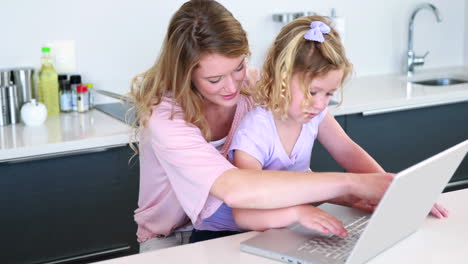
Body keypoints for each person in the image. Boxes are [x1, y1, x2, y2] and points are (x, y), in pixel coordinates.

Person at [131, 0, 393, 251]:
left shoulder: (258, 86)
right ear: (186, 75)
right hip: (175, 238)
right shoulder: (166, 118)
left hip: (256, 225)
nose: (232, 86)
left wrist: (389, 191)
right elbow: (236, 190)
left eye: (238, 67)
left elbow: (338, 147)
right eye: (215, 79)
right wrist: (350, 185)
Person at [228, 16, 449, 232]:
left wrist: (391, 191)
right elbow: (246, 214)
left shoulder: (313, 114)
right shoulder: (255, 131)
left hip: (295, 226)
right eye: (312, 92)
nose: (319, 103)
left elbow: (348, 151)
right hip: (253, 232)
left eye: (328, 94)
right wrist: (299, 212)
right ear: (281, 78)